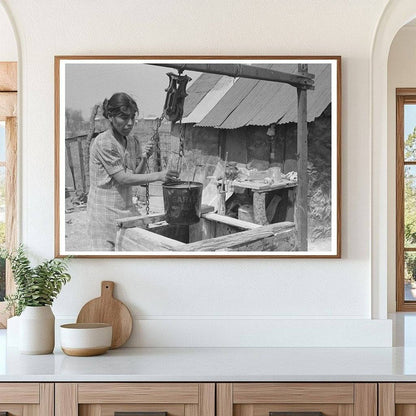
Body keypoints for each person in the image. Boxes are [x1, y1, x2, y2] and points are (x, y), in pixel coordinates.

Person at [87, 92, 178, 251]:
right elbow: (122, 178)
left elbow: (135, 174)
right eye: (124, 118)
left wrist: (144, 158)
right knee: (106, 260)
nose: (130, 123)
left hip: (125, 209)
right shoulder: (104, 142)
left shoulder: (131, 140)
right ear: (110, 116)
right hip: (103, 213)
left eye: (133, 118)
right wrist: (159, 175)